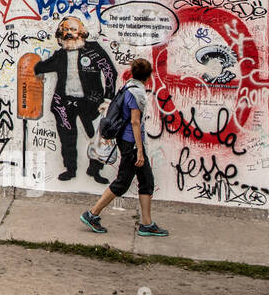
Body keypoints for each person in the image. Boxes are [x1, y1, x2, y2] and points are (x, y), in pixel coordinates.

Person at [81, 57, 169, 237]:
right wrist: (140, 151)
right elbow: (135, 122)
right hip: (131, 144)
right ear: (149, 76)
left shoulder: (128, 87)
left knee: (146, 181)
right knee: (122, 182)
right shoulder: (137, 94)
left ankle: (146, 223)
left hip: (126, 140)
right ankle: (92, 214)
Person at [32, 16, 117, 183]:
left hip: (92, 102)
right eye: (66, 30)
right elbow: (40, 67)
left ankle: (95, 170)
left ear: (82, 31)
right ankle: (70, 170)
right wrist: (31, 62)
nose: (69, 33)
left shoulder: (93, 50)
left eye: (73, 29)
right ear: (60, 34)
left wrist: (107, 99)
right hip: (64, 104)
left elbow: (110, 72)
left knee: (97, 136)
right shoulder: (60, 55)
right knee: (67, 138)